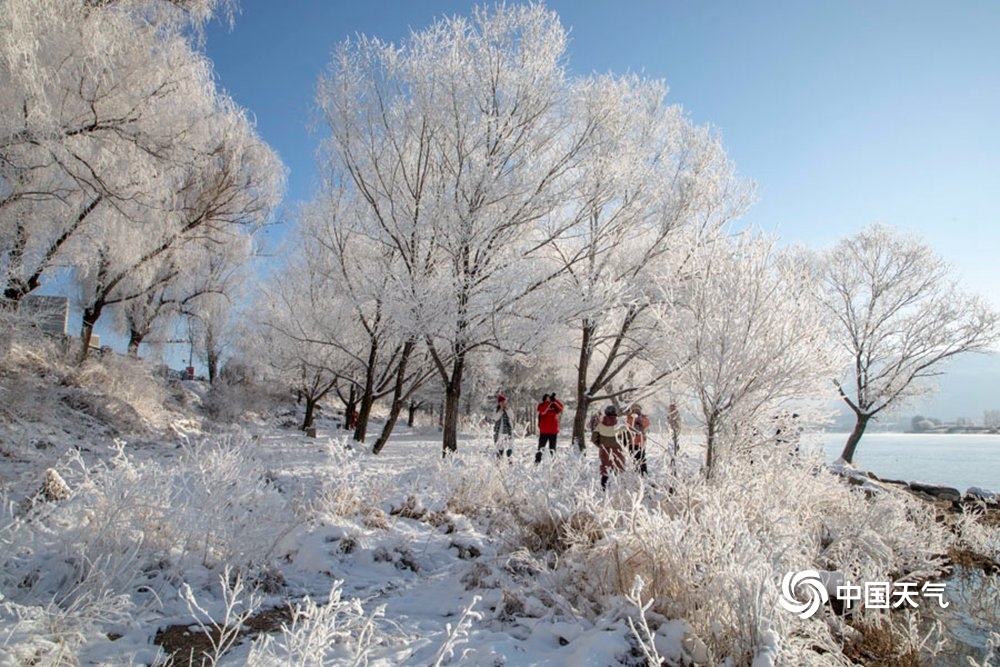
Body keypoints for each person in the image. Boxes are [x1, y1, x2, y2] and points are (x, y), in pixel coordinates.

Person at [594, 404, 626, 489]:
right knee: (618, 468)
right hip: (617, 450)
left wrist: (601, 445)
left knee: (605, 469)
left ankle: (604, 488)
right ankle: (619, 490)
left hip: (604, 450)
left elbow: (594, 439)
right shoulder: (619, 425)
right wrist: (621, 444)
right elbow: (627, 438)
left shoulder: (600, 425)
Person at [535, 392, 564, 463]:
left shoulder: (553, 406)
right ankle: (537, 462)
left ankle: (553, 463)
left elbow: (561, 408)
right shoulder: (541, 405)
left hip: (553, 431)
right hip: (544, 431)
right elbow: (543, 412)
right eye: (547, 398)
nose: (549, 399)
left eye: (550, 398)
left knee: (553, 449)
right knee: (541, 448)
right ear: (544, 399)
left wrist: (555, 400)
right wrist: (549, 403)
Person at [625, 403, 650, 475]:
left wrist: (639, 419)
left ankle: (643, 473)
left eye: (637, 409)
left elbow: (646, 424)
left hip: (639, 442)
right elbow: (629, 426)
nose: (636, 411)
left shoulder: (643, 418)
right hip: (633, 442)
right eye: (634, 409)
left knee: (641, 458)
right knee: (635, 459)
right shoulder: (629, 418)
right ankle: (638, 473)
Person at [494, 393, 513, 459]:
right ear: (499, 403)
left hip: (508, 432)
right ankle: (499, 462)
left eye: (504, 402)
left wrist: (507, 410)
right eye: (501, 402)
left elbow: (512, 416)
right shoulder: (496, 410)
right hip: (499, 433)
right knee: (500, 449)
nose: (503, 403)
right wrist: (501, 410)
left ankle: (509, 461)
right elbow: (495, 418)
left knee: (509, 448)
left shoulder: (508, 409)